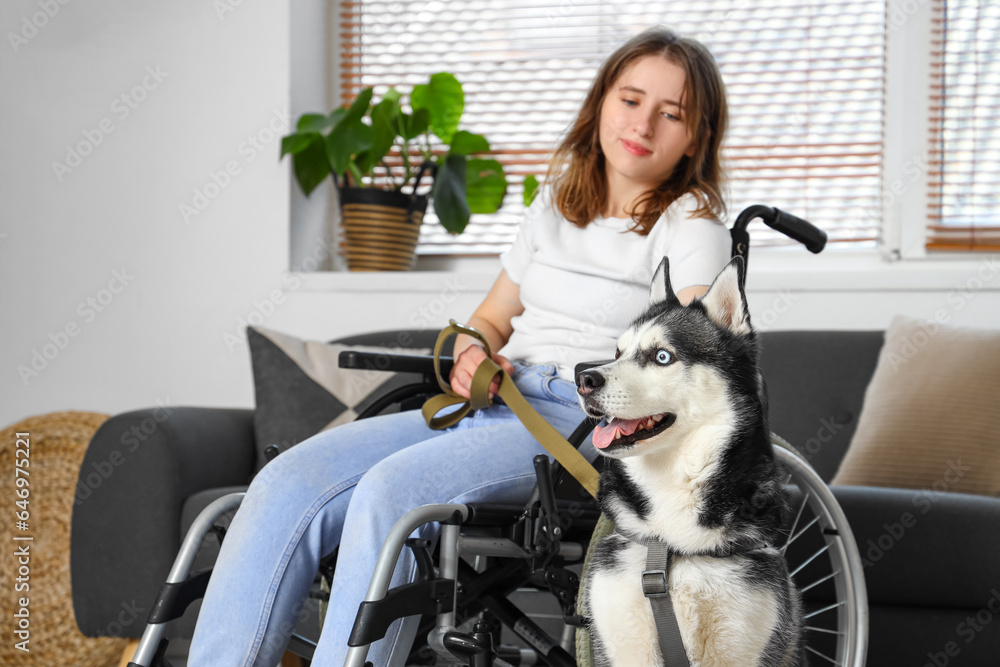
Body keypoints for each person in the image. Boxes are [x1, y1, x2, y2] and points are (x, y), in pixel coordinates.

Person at [188, 25, 732, 667]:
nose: (643, 123)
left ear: (695, 137)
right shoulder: (556, 204)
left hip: (583, 422)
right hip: (500, 398)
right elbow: (494, 317)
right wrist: (474, 350)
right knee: (284, 481)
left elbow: (696, 358)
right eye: (630, 99)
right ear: (602, 101)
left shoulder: (691, 225)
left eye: (671, 114)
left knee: (393, 493)